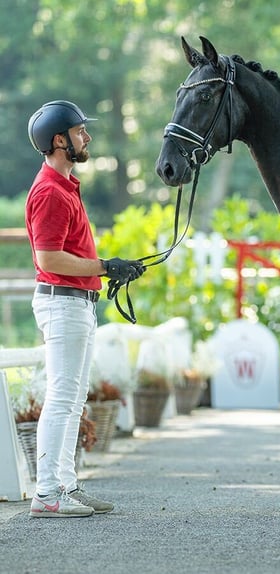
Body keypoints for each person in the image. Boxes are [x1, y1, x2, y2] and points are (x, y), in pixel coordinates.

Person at [25, 100, 145, 518]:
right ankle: (47, 494)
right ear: (59, 141)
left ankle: (64, 486)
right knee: (62, 398)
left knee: (73, 399)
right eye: (79, 132)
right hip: (64, 305)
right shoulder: (50, 192)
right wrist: (105, 267)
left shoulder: (64, 186)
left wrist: (109, 269)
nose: (86, 137)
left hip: (77, 303)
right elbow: (49, 259)